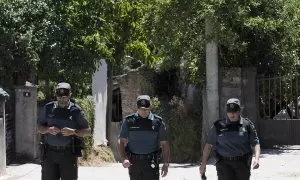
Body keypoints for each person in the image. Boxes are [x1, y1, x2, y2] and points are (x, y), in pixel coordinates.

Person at [37, 82, 91, 180]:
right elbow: (38, 127)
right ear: (56, 95)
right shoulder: (48, 108)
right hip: (49, 154)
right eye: (59, 96)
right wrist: (48, 129)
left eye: (65, 97)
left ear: (70, 95)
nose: (62, 99)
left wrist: (74, 131)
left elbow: (88, 131)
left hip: (68, 155)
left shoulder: (76, 110)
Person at [199, 98, 260, 180]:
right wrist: (203, 164)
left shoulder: (247, 125)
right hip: (224, 165)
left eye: (235, 111)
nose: (232, 114)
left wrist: (256, 159)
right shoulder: (218, 126)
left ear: (239, 111)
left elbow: (255, 143)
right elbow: (208, 146)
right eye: (230, 111)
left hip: (242, 164)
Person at [118, 95, 170, 180]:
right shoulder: (129, 121)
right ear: (137, 107)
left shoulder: (157, 122)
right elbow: (121, 141)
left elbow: (165, 144)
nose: (143, 111)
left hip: (151, 163)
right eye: (141, 109)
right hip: (134, 163)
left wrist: (166, 164)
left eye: (146, 109)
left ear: (150, 107)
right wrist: (124, 159)